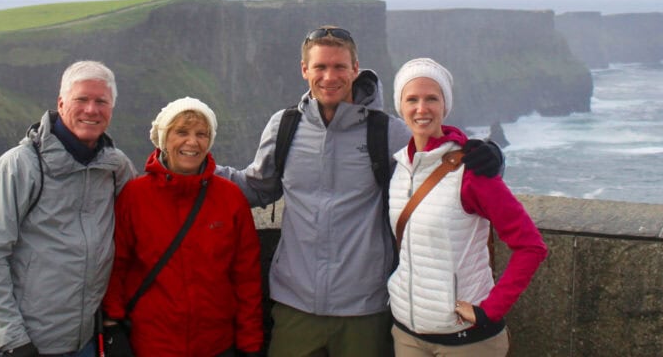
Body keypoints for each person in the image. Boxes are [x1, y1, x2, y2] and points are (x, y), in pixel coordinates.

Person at [216, 27, 504, 357]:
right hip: (295, 303)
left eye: (339, 67)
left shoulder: (387, 132)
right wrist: (195, 168)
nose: (329, 76)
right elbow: (256, 186)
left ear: (356, 69)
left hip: (365, 307)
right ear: (304, 70)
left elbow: (444, 169)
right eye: (320, 67)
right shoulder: (284, 126)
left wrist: (492, 157)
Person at [0, 60, 137, 357]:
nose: (91, 110)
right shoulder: (19, 166)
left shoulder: (115, 167)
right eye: (81, 99)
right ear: (61, 103)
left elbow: (146, 214)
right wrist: (13, 339)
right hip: (22, 344)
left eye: (101, 101)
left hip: (83, 341)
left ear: (111, 109)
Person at [387, 58, 547, 357]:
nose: (421, 109)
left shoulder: (471, 170)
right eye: (412, 99)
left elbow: (531, 246)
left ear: (444, 105)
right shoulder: (399, 169)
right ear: (400, 106)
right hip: (407, 335)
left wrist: (491, 310)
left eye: (431, 98)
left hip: (467, 341)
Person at [102, 97, 264, 357]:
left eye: (202, 134)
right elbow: (115, 266)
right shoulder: (134, 197)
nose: (192, 142)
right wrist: (114, 327)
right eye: (181, 132)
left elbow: (246, 279)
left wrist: (250, 344)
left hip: (216, 346)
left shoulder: (231, 199)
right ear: (163, 139)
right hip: (150, 346)